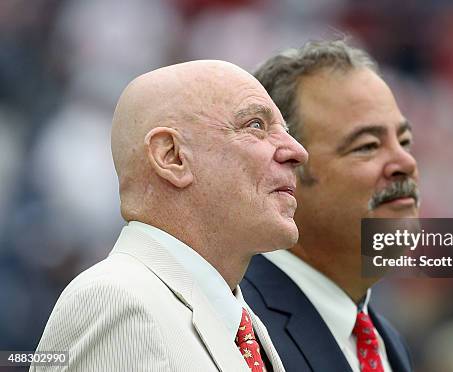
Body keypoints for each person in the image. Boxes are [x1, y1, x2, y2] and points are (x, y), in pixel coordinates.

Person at [32, 60, 308, 371]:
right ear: (171, 156)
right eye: (255, 124)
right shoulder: (120, 301)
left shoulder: (239, 321)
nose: (297, 151)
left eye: (285, 131)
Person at [241, 40, 418, 372]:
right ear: (284, 170)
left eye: (405, 141)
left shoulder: (383, 339)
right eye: (368, 146)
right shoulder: (240, 330)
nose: (405, 162)